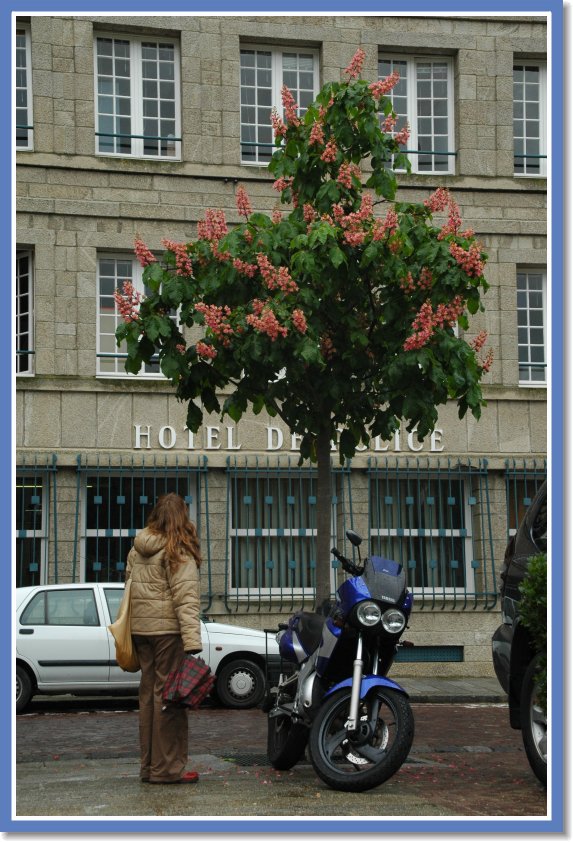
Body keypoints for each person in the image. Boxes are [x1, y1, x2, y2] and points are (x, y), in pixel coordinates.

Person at [126, 493, 203, 785]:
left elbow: (129, 586)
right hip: (168, 633)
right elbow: (186, 598)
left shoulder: (138, 548)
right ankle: (167, 770)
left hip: (141, 631)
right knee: (169, 700)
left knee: (148, 696)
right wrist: (192, 640)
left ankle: (148, 767)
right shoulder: (177, 549)